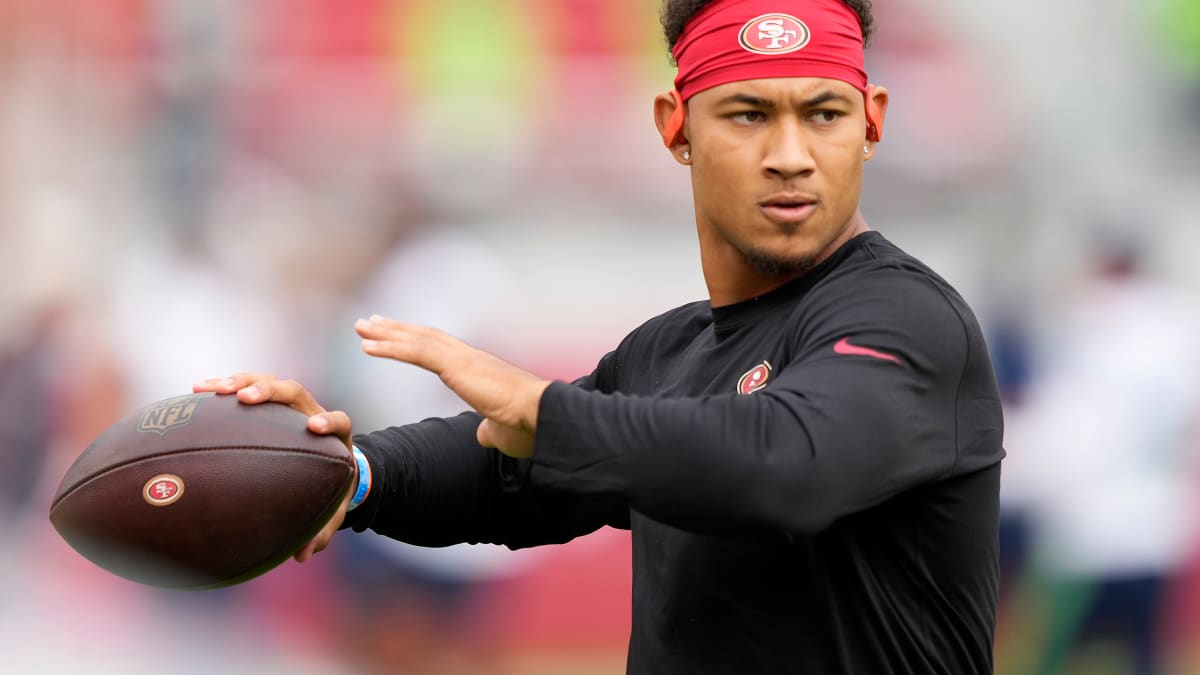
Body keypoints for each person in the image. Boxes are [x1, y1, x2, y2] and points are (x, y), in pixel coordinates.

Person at [196, 0, 1006, 671]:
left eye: (822, 114)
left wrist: (544, 410)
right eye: (749, 114)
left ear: (871, 121)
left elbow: (785, 468)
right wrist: (346, 470)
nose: (790, 156)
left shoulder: (907, 318)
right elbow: (510, 475)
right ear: (676, 126)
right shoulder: (667, 351)